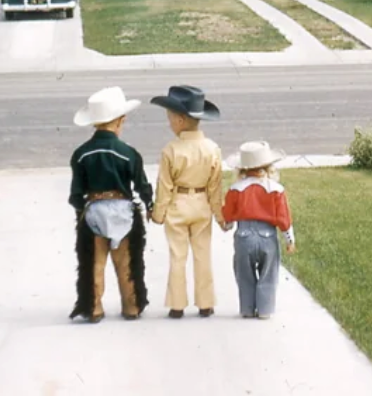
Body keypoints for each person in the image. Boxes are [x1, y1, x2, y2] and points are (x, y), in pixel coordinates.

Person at [68, 87, 152, 323]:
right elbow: (142, 185)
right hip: (122, 210)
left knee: (94, 264)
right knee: (127, 263)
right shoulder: (129, 154)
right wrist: (150, 204)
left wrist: (80, 211)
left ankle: (93, 307)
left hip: (94, 209)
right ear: (120, 121)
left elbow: (76, 192)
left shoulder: (81, 154)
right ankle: (132, 306)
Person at [149, 85, 226, 319]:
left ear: (181, 120)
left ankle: (177, 304)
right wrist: (220, 216)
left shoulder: (170, 150)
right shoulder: (212, 149)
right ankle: (205, 303)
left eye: (170, 119)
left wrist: (158, 214)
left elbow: (165, 186)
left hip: (178, 205)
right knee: (203, 254)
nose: (169, 123)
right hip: (202, 203)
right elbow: (215, 187)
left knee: (177, 255)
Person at [222, 141, 296, 320]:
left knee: (244, 274)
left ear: (242, 169)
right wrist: (289, 240)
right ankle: (264, 310)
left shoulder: (235, 189)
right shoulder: (276, 189)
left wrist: (228, 225)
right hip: (267, 236)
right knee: (268, 274)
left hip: (243, 236)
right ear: (268, 166)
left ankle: (247, 309)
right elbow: (283, 218)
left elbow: (229, 216)